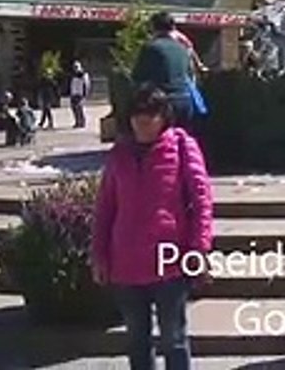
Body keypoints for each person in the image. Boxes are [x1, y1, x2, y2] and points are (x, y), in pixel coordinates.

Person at [91, 85, 213, 370]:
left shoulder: (181, 147)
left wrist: (199, 248)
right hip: (126, 264)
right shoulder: (119, 154)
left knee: (174, 339)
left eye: (150, 114)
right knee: (137, 340)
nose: (143, 121)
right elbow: (105, 208)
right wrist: (98, 255)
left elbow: (202, 201)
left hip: (170, 262)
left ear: (163, 117)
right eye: (137, 114)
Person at [131, 13, 196, 130]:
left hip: (163, 102)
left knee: (163, 138)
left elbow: (137, 77)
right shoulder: (182, 48)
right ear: (173, 27)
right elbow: (189, 74)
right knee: (182, 137)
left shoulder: (151, 48)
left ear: (153, 28)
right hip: (185, 100)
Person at [69, 62, 91, 129]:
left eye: (76, 67)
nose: (75, 68)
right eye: (74, 67)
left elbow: (86, 84)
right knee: (74, 108)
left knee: (79, 108)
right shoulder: (73, 75)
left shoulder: (83, 74)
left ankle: (82, 122)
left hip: (80, 93)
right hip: (74, 93)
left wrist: (85, 94)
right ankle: (77, 121)